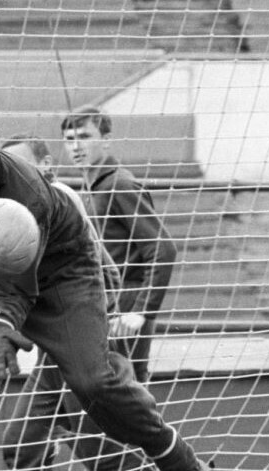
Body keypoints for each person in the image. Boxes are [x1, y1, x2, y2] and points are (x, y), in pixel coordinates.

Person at [0, 92, 208, 471]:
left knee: (93, 383)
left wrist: (0, 322)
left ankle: (175, 455)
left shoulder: (26, 186)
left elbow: (18, 283)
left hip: (61, 278)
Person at [0, 134, 150, 470]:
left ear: (46, 165)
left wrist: (103, 321)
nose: (15, 175)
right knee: (20, 446)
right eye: (8, 169)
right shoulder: (12, 213)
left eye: (23, 166)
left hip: (81, 345)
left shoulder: (61, 199)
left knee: (103, 455)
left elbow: (106, 271)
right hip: (52, 352)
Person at [61, 106, 178, 383]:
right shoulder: (90, 188)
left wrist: (141, 311)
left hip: (125, 304)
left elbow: (162, 248)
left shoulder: (120, 184)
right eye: (69, 139)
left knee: (128, 387)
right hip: (101, 302)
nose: (76, 146)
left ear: (106, 140)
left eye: (84, 136)